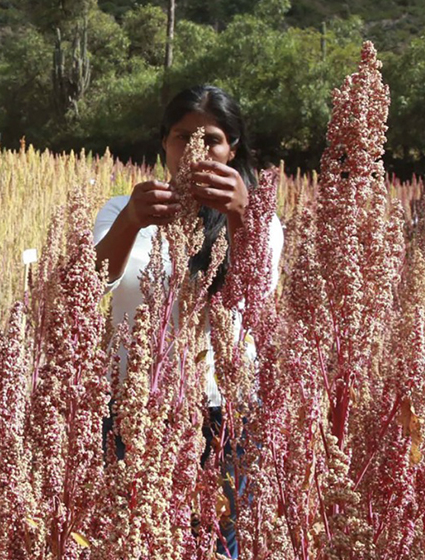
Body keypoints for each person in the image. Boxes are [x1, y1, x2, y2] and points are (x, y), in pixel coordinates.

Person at [92, 85, 284, 559]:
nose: (195, 150)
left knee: (217, 543)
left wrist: (241, 216)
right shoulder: (122, 210)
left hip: (222, 411)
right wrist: (132, 221)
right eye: (182, 137)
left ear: (232, 148)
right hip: (133, 405)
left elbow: (252, 300)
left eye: (212, 139)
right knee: (133, 538)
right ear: (164, 143)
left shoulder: (262, 221)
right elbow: (90, 285)